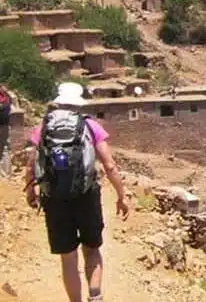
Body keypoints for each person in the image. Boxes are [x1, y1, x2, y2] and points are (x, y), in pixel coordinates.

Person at [23, 82, 129, 302]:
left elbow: (30, 164)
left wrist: (30, 192)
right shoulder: (90, 126)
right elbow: (109, 165)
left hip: (54, 198)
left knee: (68, 258)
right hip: (86, 195)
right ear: (78, 104)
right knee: (92, 249)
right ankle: (95, 295)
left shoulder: (43, 127)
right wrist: (122, 196)